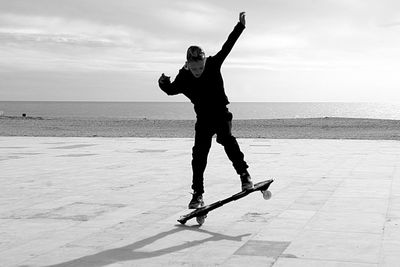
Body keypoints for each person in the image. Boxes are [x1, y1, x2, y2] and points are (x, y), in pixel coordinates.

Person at [158, 12, 253, 209]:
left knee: (226, 139)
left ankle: (244, 175)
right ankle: (197, 194)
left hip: (220, 113)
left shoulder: (213, 64)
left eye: (200, 67)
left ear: (204, 62)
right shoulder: (184, 78)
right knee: (199, 155)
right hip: (203, 120)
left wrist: (240, 26)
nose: (198, 71)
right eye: (194, 69)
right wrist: (163, 82)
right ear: (188, 65)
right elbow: (171, 90)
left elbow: (227, 46)